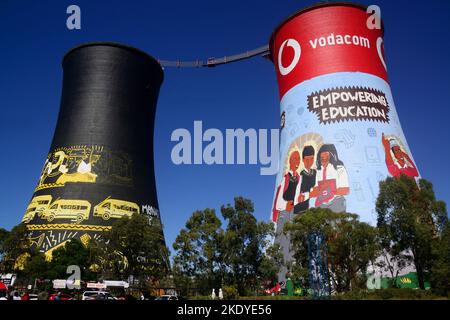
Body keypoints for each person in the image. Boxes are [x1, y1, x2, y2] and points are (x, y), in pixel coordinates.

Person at [308, 144, 349, 213]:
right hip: (321, 204)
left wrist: (329, 192)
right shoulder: (318, 171)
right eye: (322, 158)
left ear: (332, 157)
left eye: (327, 157)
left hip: (336, 202)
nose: (324, 160)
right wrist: (307, 195)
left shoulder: (339, 169)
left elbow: (345, 190)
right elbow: (315, 189)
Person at [294, 146, 317, 213]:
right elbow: (297, 197)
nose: (309, 162)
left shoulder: (316, 173)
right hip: (301, 209)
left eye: (312, 159)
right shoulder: (300, 175)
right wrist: (309, 194)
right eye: (307, 159)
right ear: (303, 160)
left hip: (313, 209)